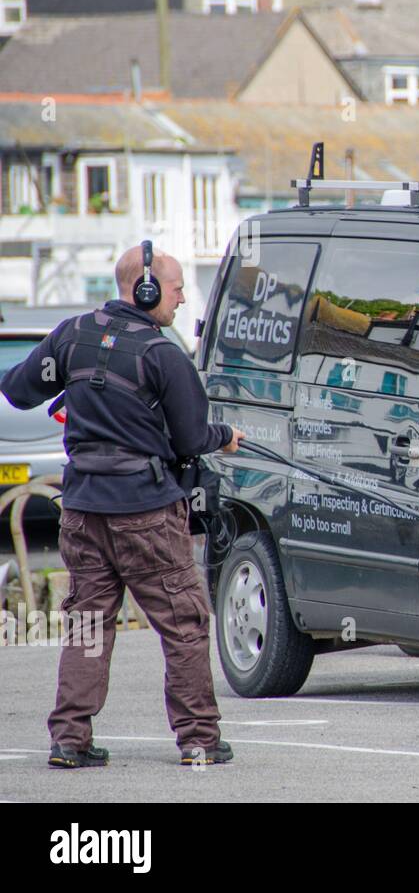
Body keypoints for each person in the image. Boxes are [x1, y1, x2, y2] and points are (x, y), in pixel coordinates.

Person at [0, 242, 244, 768]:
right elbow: (191, 437)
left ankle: (70, 739)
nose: (181, 299)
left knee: (88, 623)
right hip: (148, 513)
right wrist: (225, 436)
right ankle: (199, 738)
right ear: (148, 287)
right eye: (176, 288)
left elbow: (18, 391)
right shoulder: (163, 354)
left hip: (83, 510)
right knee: (183, 625)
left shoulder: (71, 334)